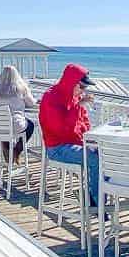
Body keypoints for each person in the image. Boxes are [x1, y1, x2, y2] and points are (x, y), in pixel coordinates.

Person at [39, 64, 99, 205]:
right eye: (82, 87)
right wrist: (78, 107)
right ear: (71, 82)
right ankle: (95, 201)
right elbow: (60, 129)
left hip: (75, 143)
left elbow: (84, 123)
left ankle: (95, 197)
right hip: (57, 148)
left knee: (105, 153)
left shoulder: (75, 97)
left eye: (85, 88)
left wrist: (91, 140)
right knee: (96, 159)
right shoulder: (51, 97)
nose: (83, 91)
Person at [0, 65, 36, 162]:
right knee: (30, 125)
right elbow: (31, 103)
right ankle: (17, 150)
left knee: (5, 126)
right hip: (12, 124)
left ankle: (7, 149)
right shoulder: (20, 88)